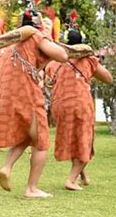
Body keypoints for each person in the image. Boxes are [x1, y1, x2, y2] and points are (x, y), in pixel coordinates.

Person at [0, 10, 68, 198]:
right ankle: (32, 188)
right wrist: (49, 37)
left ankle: (7, 167)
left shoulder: (10, 45)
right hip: (28, 94)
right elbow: (62, 56)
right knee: (41, 141)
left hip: (8, 96)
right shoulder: (36, 36)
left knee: (26, 137)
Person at [45, 29, 112, 191]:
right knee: (85, 142)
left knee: (75, 140)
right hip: (80, 104)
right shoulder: (88, 59)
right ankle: (71, 180)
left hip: (59, 105)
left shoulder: (54, 62)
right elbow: (109, 79)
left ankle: (82, 175)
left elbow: (48, 82)